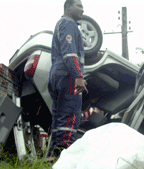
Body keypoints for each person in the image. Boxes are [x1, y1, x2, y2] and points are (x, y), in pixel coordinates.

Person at [48, 0, 88, 157]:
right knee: (71, 114)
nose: (82, 10)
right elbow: (70, 54)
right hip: (68, 75)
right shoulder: (68, 23)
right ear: (68, 7)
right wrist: (78, 76)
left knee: (59, 117)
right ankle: (63, 156)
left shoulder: (60, 25)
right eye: (79, 6)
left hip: (57, 74)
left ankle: (53, 154)